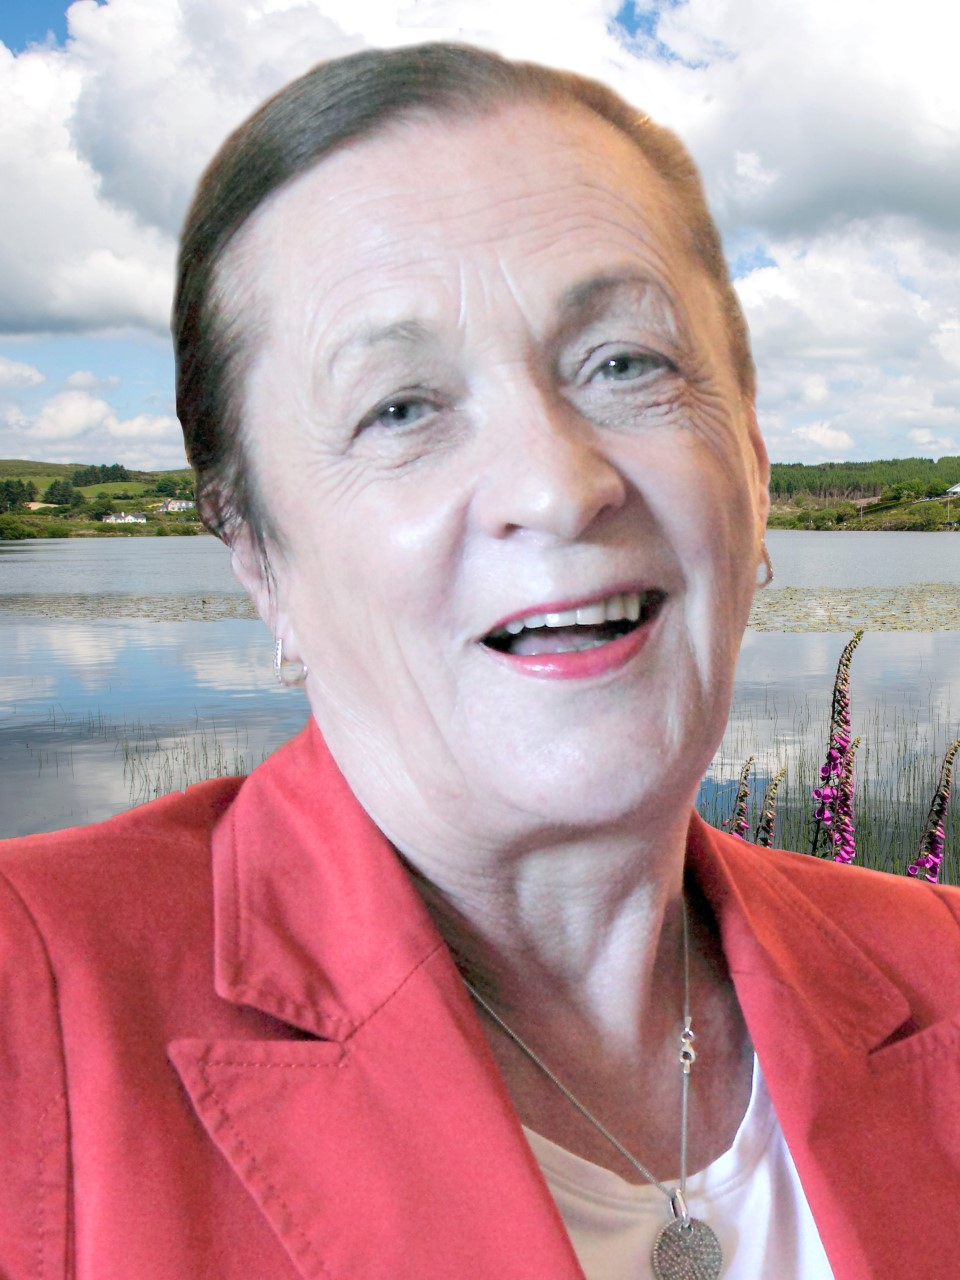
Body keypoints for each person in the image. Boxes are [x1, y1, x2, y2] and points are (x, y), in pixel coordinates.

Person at [1, 42, 958, 1280]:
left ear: (755, 472)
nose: (557, 485)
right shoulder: (32, 999)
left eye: (625, 362)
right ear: (260, 560)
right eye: (400, 406)